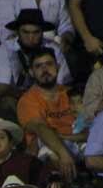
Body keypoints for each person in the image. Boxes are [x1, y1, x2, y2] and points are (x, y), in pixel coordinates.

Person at [0, 8, 73, 119]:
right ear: (17, 31)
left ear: (42, 32)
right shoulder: (4, 50)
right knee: (6, 103)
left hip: (49, 97)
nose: (30, 37)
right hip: (18, 98)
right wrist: (31, 99)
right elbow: (2, 89)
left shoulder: (53, 49)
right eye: (25, 32)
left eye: (36, 32)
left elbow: (63, 83)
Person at [15, 46, 80, 179]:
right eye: (38, 66)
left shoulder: (72, 94)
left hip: (76, 141)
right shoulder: (27, 100)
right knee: (49, 151)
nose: (45, 70)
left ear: (58, 66)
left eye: (49, 64)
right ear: (31, 72)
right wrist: (63, 153)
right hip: (49, 148)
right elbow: (40, 128)